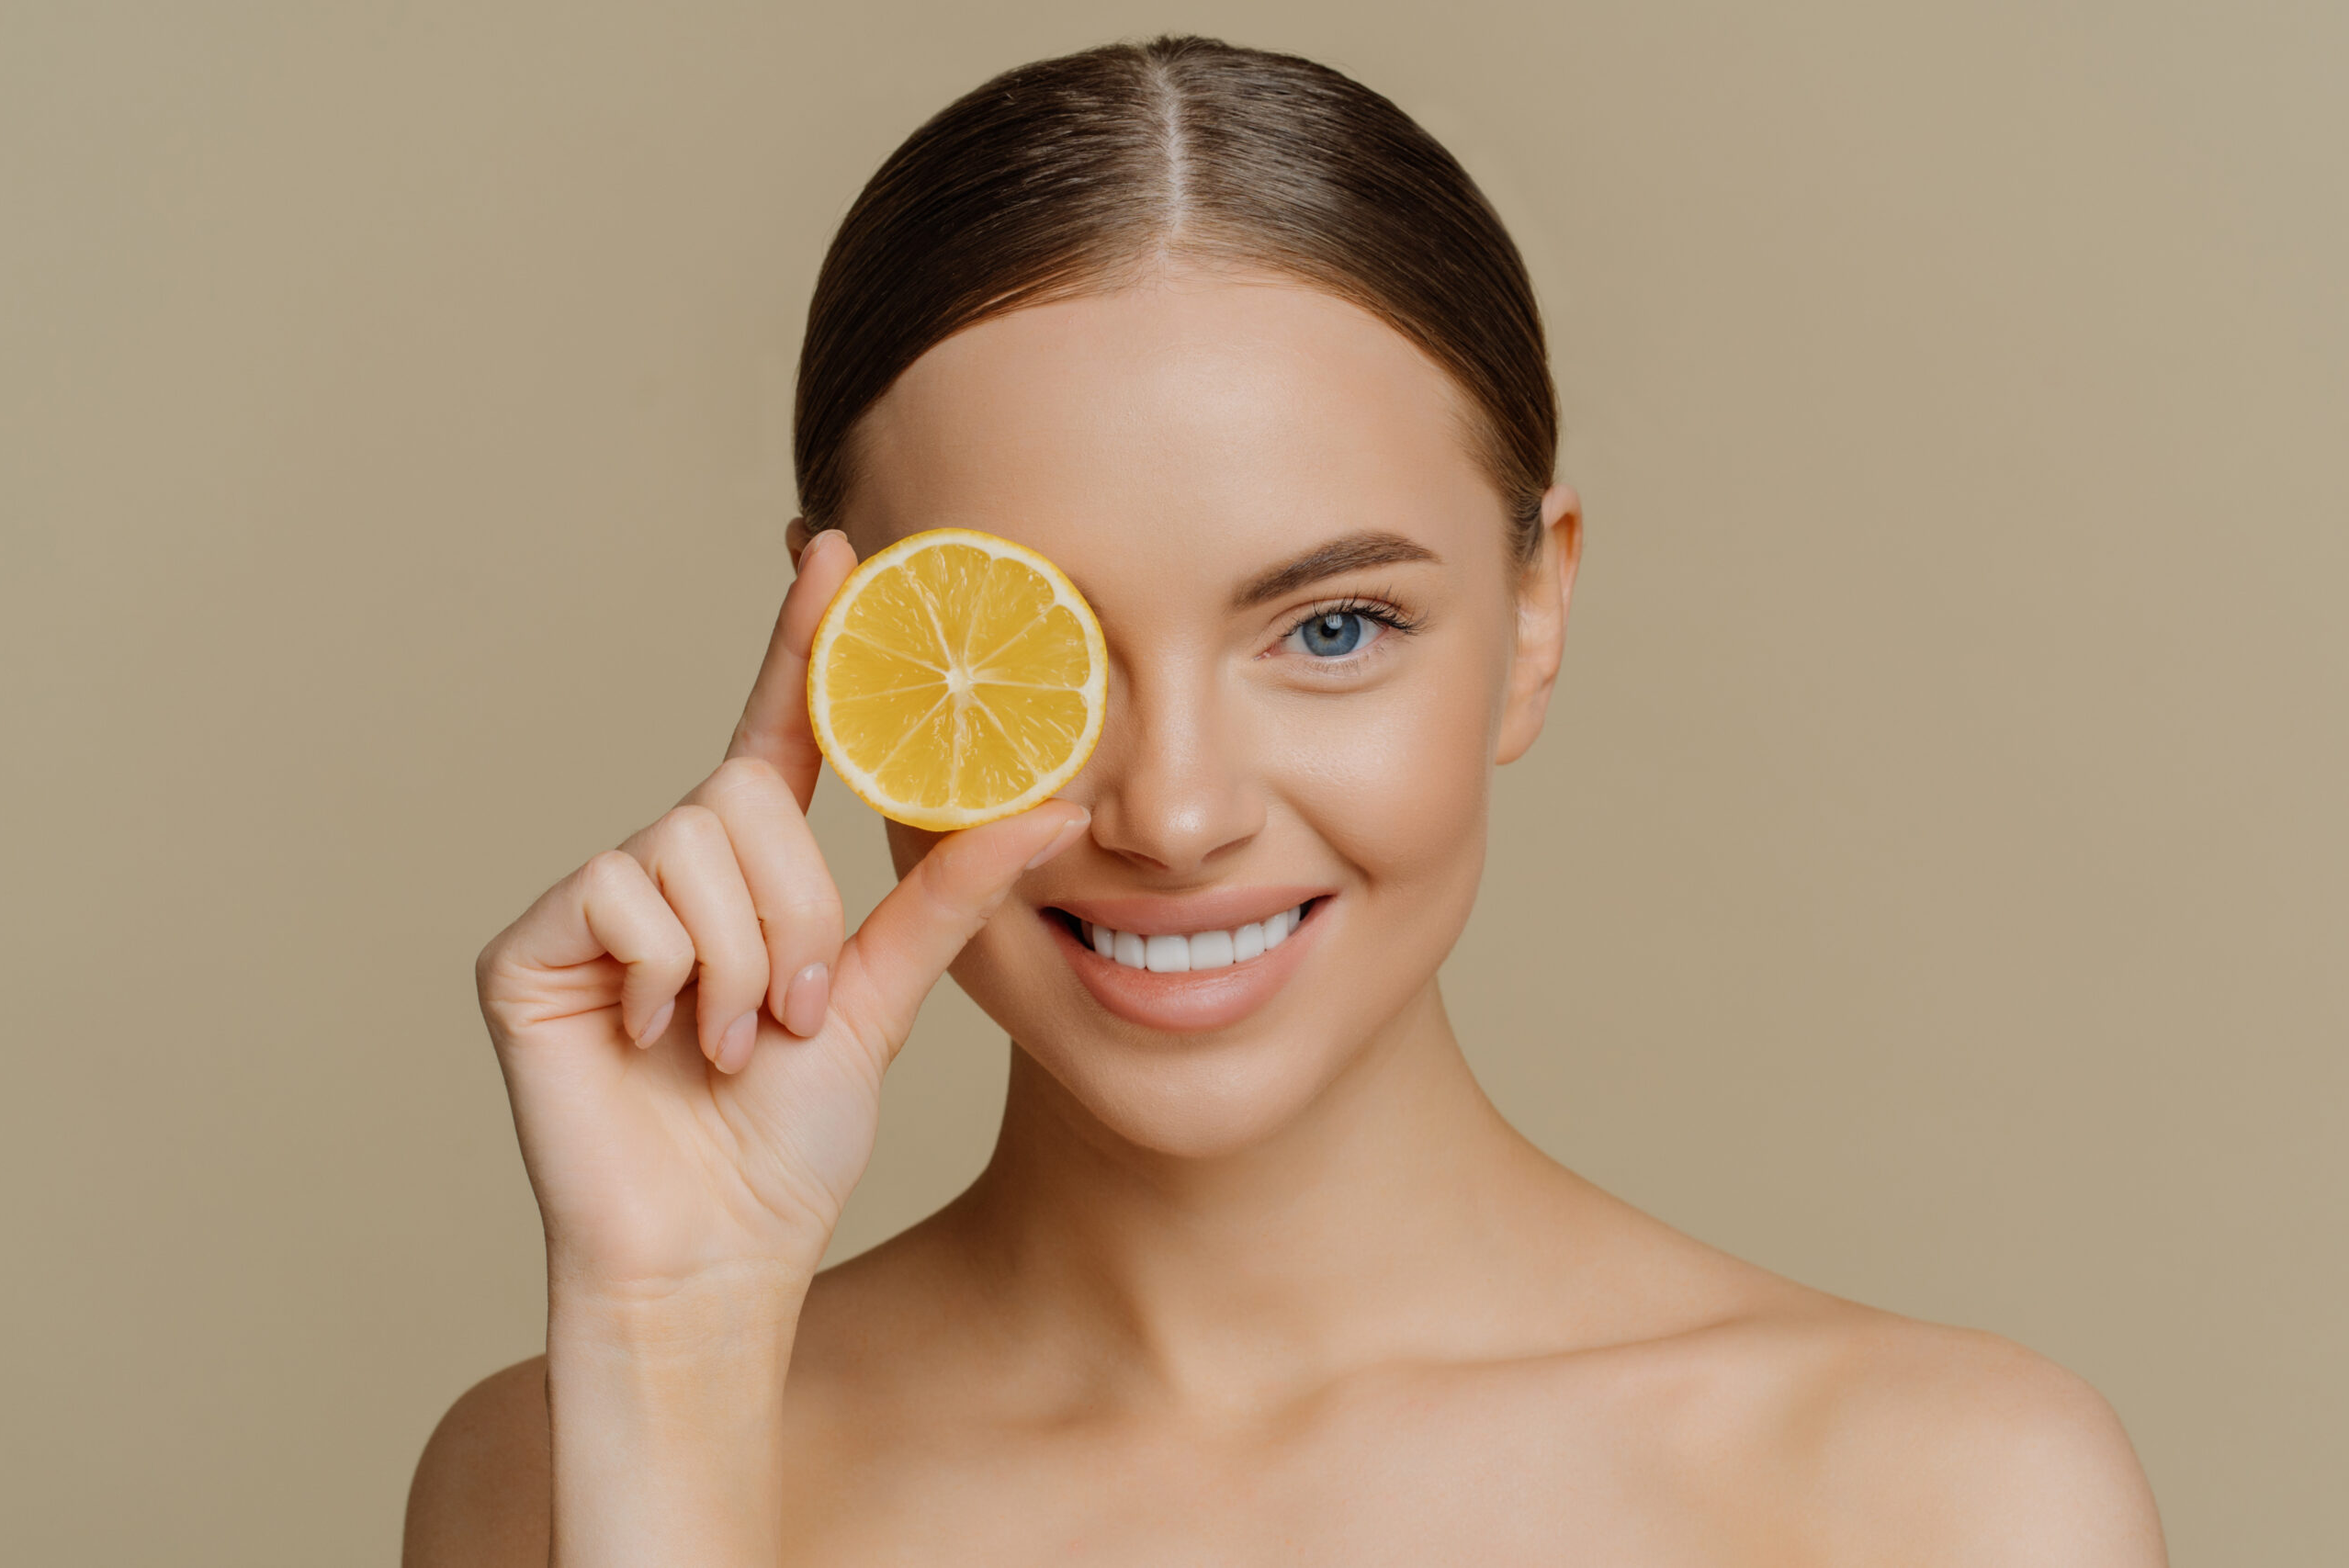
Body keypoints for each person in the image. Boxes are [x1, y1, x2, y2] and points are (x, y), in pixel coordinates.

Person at [405, 36, 2165, 1566]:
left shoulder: (1946, 1499)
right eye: (1043, 653)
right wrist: (677, 1351)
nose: (1173, 815)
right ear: (844, 652)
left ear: (1535, 617)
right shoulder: (552, 1474)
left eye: (1334, 628)